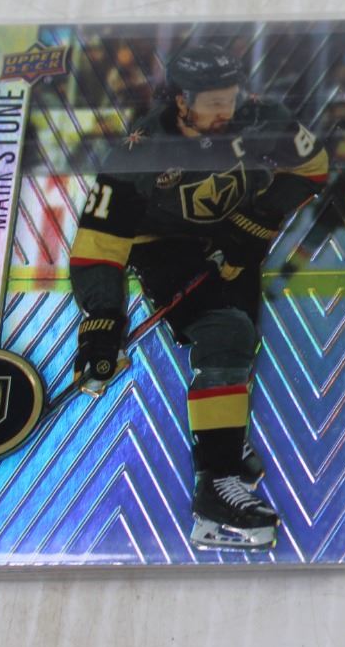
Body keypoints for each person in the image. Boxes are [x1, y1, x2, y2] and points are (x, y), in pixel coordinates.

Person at [68, 41, 331, 549]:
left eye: (229, 98)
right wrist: (102, 320)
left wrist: (259, 220)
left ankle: (222, 441)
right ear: (181, 101)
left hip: (233, 235)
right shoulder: (141, 153)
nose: (225, 111)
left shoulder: (258, 118)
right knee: (226, 335)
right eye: (212, 103)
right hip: (163, 247)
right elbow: (98, 245)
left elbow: (312, 165)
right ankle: (216, 487)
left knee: (240, 344)